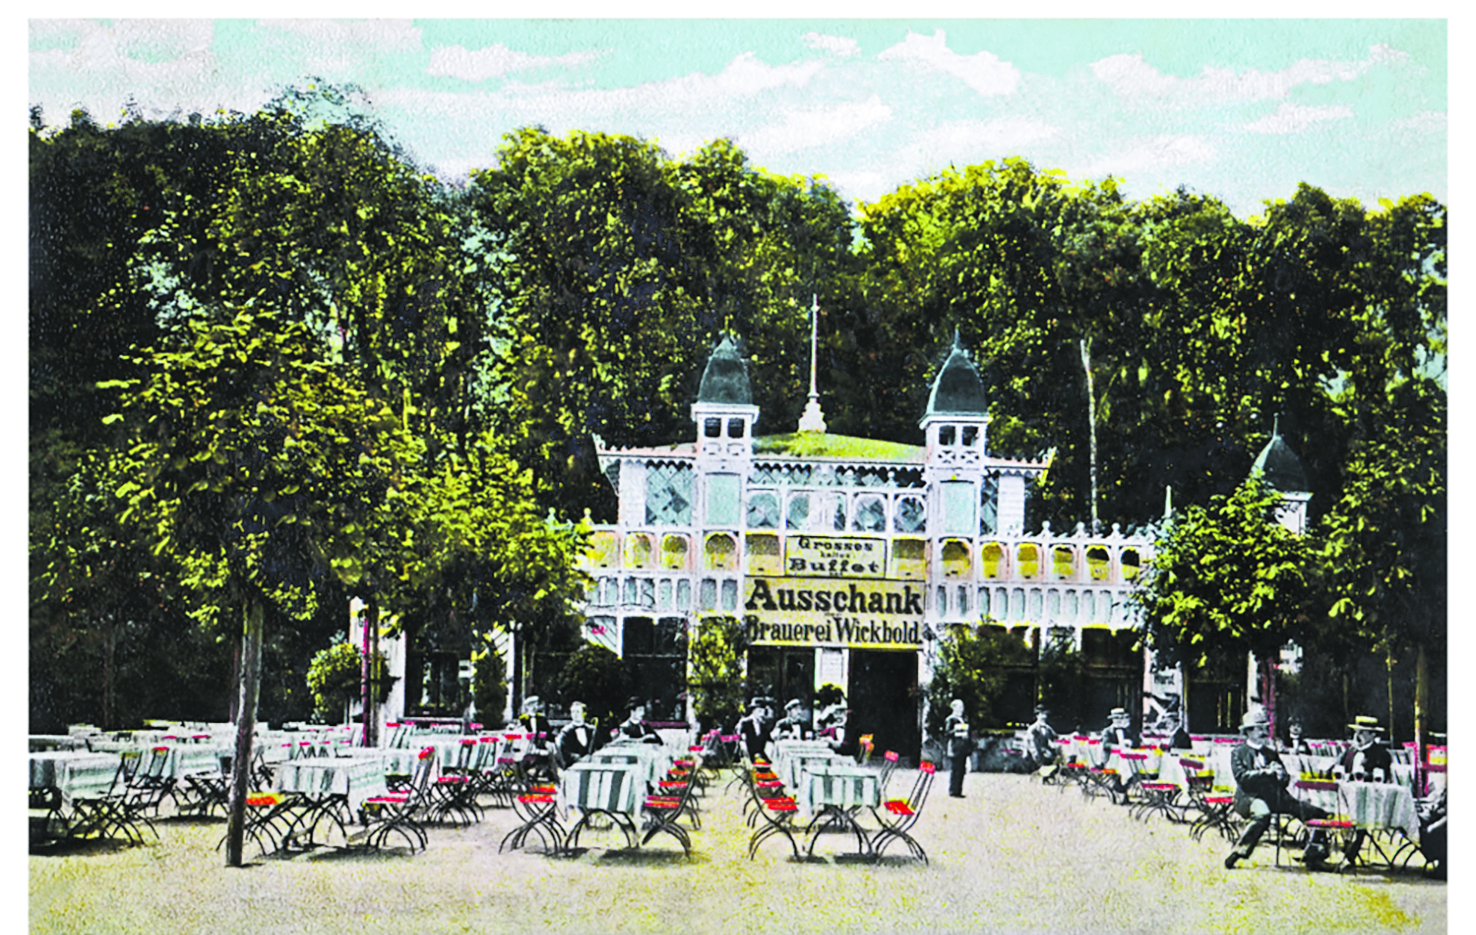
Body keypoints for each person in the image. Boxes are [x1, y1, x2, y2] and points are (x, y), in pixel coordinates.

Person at [1224, 709, 1336, 871]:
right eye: (1259, 728)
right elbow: (1242, 778)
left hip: (1275, 796)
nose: (1264, 732)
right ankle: (1238, 852)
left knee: (1316, 813)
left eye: (1265, 728)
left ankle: (1314, 855)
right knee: (1263, 814)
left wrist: (1281, 775)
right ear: (1248, 731)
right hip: (1250, 798)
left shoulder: (1270, 753)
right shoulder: (1238, 753)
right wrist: (1266, 773)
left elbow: (1284, 780)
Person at [1333, 715, 1395, 870]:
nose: (1357, 736)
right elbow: (1336, 768)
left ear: (1373, 735)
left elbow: (1382, 777)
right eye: (1357, 732)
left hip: (1369, 799)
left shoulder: (1381, 754)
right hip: (1344, 797)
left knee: (1359, 816)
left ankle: (1351, 853)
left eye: (1363, 732)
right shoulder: (1349, 751)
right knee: (1323, 808)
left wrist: (1362, 776)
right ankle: (1316, 850)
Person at [555, 701, 600, 765]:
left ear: (584, 713)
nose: (575, 714)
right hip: (573, 767)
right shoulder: (566, 732)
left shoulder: (592, 730)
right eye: (573, 712)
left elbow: (598, 747)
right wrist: (577, 758)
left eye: (578, 712)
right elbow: (562, 751)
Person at [944, 699, 971, 798]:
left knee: (961, 770)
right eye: (959, 707)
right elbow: (947, 733)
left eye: (962, 707)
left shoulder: (964, 719)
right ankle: (953, 790)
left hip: (963, 747)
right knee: (955, 769)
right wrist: (956, 730)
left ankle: (959, 789)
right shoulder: (951, 719)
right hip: (955, 747)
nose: (961, 709)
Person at [1025, 705, 1060, 778]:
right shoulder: (1033, 728)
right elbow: (1031, 742)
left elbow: (1055, 737)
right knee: (1048, 758)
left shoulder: (1047, 728)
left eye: (1045, 714)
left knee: (1057, 760)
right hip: (1038, 752)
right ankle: (1044, 774)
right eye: (1042, 714)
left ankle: (1048, 775)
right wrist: (1035, 753)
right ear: (1037, 715)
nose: (1045, 717)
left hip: (1046, 750)